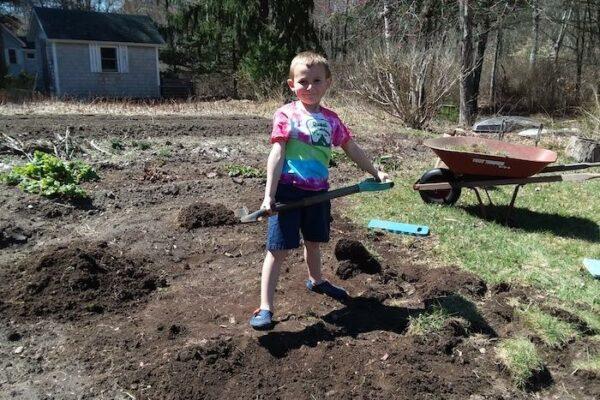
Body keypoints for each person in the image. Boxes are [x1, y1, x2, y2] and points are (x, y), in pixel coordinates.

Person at [249, 51, 391, 330]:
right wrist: (269, 196)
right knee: (277, 250)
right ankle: (265, 307)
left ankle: (316, 280)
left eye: (316, 81)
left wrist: (375, 172)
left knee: (314, 242)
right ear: (292, 85)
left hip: (319, 194)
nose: (310, 87)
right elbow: (276, 155)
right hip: (288, 192)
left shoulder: (331, 120)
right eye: (303, 82)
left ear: (327, 83)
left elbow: (351, 147)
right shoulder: (286, 115)